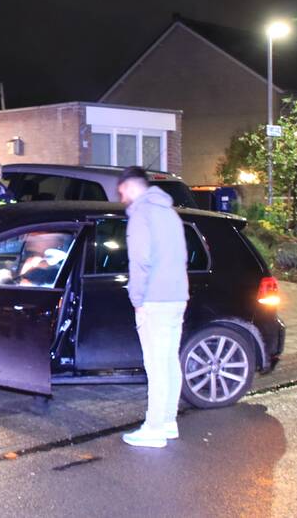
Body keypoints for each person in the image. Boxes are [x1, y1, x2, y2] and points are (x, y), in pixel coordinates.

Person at [117, 166, 189, 449]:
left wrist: (137, 301)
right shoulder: (169, 213)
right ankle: (169, 421)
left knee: (156, 365)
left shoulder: (141, 215)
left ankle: (154, 428)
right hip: (176, 296)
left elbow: (140, 261)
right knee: (170, 361)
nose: (122, 198)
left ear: (132, 188)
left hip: (155, 300)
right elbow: (181, 255)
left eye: (122, 192)